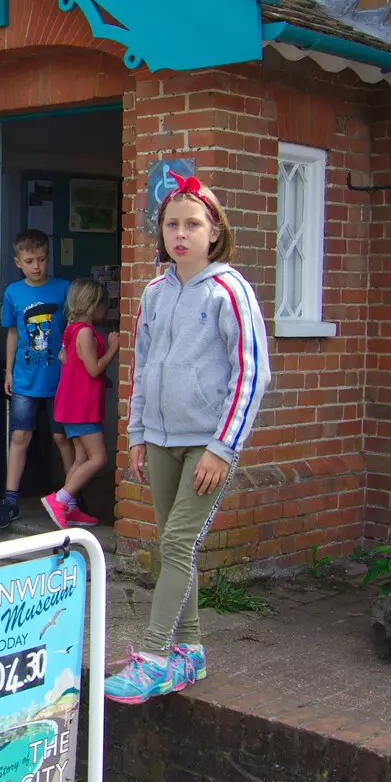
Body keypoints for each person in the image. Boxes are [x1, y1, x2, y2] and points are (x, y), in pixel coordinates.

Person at [106, 172, 269, 705]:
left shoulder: (231, 290)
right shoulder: (154, 292)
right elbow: (143, 364)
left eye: (192, 224)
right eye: (171, 224)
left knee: (177, 542)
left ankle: (154, 657)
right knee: (175, 546)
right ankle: (190, 650)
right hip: (159, 438)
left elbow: (252, 373)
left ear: (214, 231)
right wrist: (136, 432)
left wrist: (223, 448)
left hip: (207, 442)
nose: (181, 234)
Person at [0, 229, 76, 529]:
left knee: (62, 437)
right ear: (18, 261)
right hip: (26, 378)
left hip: (59, 378)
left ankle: (72, 498)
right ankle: (11, 499)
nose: (37, 266)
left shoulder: (63, 288)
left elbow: (73, 326)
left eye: (42, 259)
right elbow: (13, 331)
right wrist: (8, 370)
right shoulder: (14, 293)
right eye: (29, 261)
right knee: (20, 436)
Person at [42, 278, 119, 528]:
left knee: (80, 457)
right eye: (102, 305)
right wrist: (112, 349)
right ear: (92, 305)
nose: (104, 310)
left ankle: (71, 507)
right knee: (99, 458)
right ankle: (60, 499)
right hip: (81, 408)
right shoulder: (85, 332)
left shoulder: (72, 328)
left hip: (73, 405)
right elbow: (93, 369)